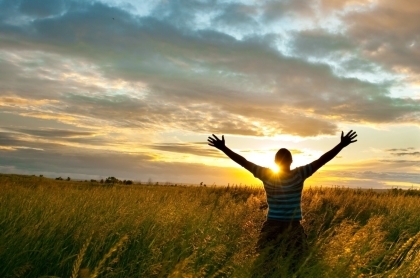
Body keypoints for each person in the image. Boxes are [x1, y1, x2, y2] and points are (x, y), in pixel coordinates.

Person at [207, 130, 358, 275]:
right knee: (296, 265)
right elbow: (322, 160)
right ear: (291, 161)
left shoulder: (267, 175)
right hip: (293, 227)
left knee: (263, 264)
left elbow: (244, 162)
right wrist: (341, 145)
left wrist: (223, 148)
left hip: (272, 225)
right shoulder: (299, 174)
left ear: (275, 162)